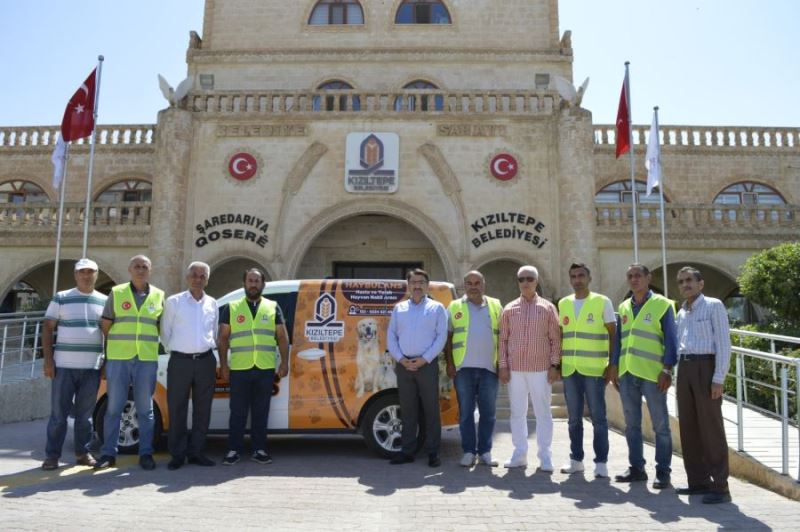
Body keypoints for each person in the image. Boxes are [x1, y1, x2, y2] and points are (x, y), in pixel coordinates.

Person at [607, 263, 676, 489]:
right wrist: (614, 365)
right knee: (632, 425)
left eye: (638, 275)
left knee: (660, 425)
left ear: (648, 278)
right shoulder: (625, 306)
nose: (634, 280)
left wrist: (667, 369)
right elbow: (619, 340)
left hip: (653, 373)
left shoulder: (663, 305)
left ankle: (663, 472)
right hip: (627, 373)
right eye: (630, 276)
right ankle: (637, 468)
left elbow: (671, 341)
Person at [96, 255, 165, 471]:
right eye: (137, 266)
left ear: (150, 270)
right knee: (114, 407)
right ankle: (108, 453)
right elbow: (106, 325)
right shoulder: (116, 294)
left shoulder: (159, 296)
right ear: (129, 269)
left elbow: (161, 327)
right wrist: (109, 355)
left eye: (145, 266)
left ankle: (145, 453)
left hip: (146, 359)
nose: (141, 270)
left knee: (146, 409)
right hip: (119, 358)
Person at [40, 258, 107, 470]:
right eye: (82, 272)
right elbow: (48, 327)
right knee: (58, 416)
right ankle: (52, 456)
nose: (86, 276)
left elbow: (108, 334)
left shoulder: (105, 300)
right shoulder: (61, 298)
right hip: (63, 367)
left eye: (90, 272)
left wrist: (106, 362)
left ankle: (82, 454)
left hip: (92, 368)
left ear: (96, 274)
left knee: (85, 417)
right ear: (76, 275)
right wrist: (48, 360)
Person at [217, 268, 289, 465]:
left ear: (262, 284)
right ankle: (233, 449)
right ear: (244, 283)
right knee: (237, 411)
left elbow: (282, 336)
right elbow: (222, 339)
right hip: (240, 368)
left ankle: (259, 449)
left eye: (257, 281)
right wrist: (223, 364)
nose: (253, 284)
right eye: (250, 280)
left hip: (265, 368)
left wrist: (285, 361)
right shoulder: (231, 307)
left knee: (261, 411)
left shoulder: (273, 307)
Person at [675, 266, 732, 504]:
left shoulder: (713, 306)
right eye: (681, 282)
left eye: (689, 280)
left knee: (711, 430)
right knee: (688, 428)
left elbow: (723, 342)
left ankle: (720, 487)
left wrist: (719, 377)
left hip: (705, 368)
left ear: (701, 284)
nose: (685, 284)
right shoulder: (682, 312)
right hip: (685, 369)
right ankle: (698, 482)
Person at [499, 265, 561, 472]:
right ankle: (519, 454)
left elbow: (555, 339)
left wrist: (554, 365)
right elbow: (503, 341)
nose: (525, 282)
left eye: (529, 279)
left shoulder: (548, 308)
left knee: (543, 413)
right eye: (521, 279)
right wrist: (503, 367)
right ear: (518, 282)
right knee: (517, 413)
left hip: (541, 369)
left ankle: (545, 457)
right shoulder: (508, 309)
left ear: (536, 281)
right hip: (515, 369)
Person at [558, 263, 616, 479]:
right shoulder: (564, 303)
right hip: (570, 369)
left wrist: (612, 365)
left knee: (599, 417)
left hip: (594, 369)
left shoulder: (602, 302)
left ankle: (601, 462)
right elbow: (561, 335)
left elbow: (613, 334)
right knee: (573, 418)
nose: (577, 279)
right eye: (573, 276)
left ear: (589, 278)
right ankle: (576, 460)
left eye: (581, 275)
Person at [161, 261, 219, 470]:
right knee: (177, 408)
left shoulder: (212, 303)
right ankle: (177, 454)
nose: (198, 279)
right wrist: (178, 350)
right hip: (180, 362)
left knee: (203, 409)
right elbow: (164, 333)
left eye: (202, 276)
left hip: (205, 361)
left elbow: (213, 331)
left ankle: (197, 452)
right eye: (194, 275)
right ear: (187, 277)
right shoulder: (174, 302)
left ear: (207, 279)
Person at [387, 268, 448, 467]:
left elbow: (442, 337)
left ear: (427, 285)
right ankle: (407, 451)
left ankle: (433, 452)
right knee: (408, 410)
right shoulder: (399, 309)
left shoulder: (437, 308)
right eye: (413, 282)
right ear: (408, 286)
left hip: (427, 365)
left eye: (421, 282)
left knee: (431, 410)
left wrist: (425, 359)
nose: (417, 285)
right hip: (404, 366)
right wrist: (400, 358)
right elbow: (391, 337)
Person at [445, 270, 503, 467]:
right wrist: (450, 364)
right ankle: (469, 451)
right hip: (463, 369)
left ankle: (485, 451)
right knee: (466, 413)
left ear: (483, 284)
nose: (473, 286)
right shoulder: (454, 306)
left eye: (477, 282)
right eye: (469, 283)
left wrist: (502, 363)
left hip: (490, 369)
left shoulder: (495, 305)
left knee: (488, 413)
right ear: (464, 285)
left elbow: (503, 337)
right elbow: (448, 337)